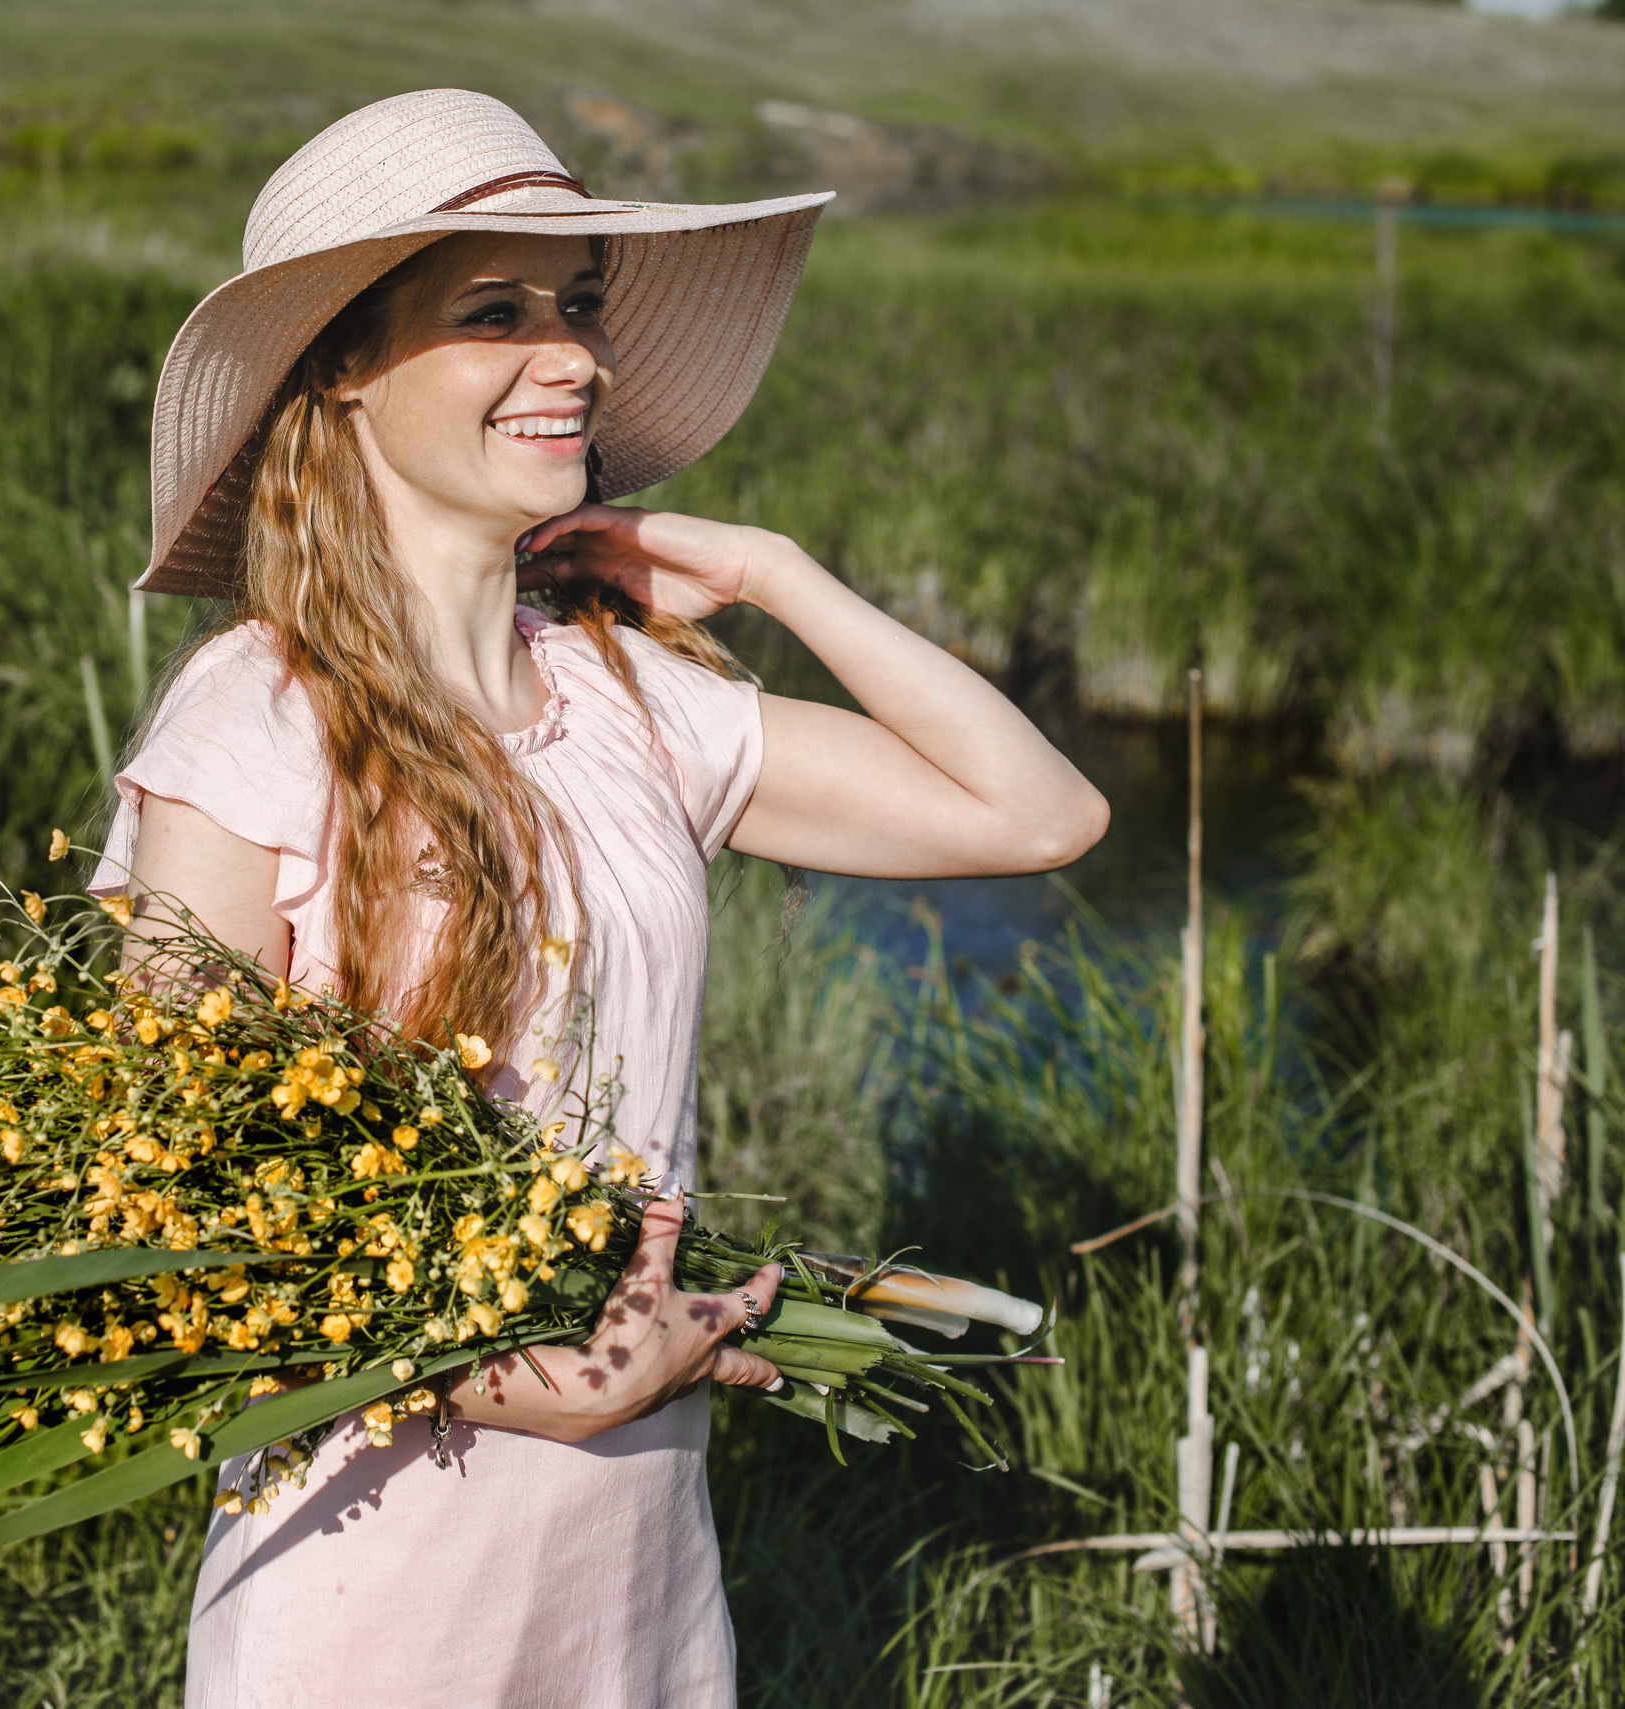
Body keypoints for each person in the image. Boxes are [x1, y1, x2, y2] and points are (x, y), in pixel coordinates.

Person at [95, 90, 1107, 1709]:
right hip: (367, 1581)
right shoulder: (256, 717)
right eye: (496, 310)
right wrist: (512, 1384)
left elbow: (1041, 812)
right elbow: (175, 1220)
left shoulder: (634, 697)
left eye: (580, 306)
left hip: (634, 1570)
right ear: (342, 365)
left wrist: (771, 567)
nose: (572, 355)